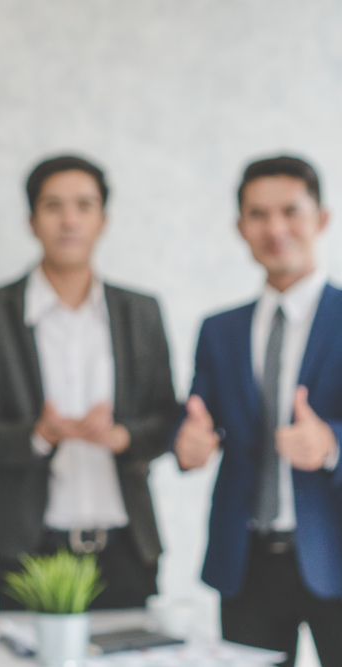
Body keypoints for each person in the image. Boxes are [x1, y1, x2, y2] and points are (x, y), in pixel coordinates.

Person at [0, 155, 178, 610]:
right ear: (31, 221)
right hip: (28, 546)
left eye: (84, 205)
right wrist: (39, 434)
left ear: (104, 219)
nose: (69, 220)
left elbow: (166, 421)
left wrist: (122, 435)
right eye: (53, 206)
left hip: (125, 547)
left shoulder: (141, 312)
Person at [174, 156, 342, 667]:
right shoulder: (218, 330)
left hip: (334, 553)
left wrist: (332, 444)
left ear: (322, 218)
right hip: (246, 563)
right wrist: (187, 444)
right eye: (258, 214)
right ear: (240, 227)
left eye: (290, 211)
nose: (275, 229)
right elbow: (198, 416)